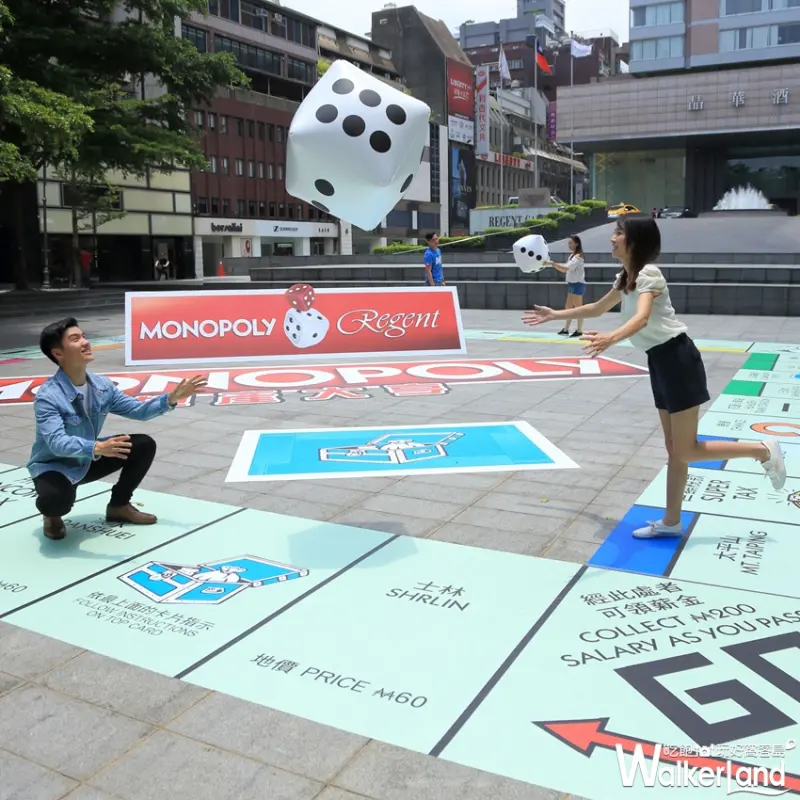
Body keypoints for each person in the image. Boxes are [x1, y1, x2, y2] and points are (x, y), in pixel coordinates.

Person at [522, 216, 786, 540]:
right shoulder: (626, 277)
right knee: (674, 448)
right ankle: (672, 521)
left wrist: (611, 338)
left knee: (685, 450)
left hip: (678, 360)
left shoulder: (649, 274)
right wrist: (556, 315)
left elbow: (643, 317)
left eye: (619, 233)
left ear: (635, 242)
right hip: (660, 361)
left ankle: (762, 450)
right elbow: (597, 308)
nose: (612, 238)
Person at [27, 317, 206, 541]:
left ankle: (119, 506)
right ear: (58, 353)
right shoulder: (48, 396)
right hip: (55, 466)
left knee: (142, 445)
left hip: (89, 457)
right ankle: (52, 516)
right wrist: (97, 447)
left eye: (84, 336)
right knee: (56, 501)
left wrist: (171, 398)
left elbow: (138, 411)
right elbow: (57, 443)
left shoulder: (102, 386)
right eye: (75, 339)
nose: (85, 342)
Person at [546, 235, 586, 338]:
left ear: (577, 244)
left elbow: (565, 268)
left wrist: (553, 264)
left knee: (578, 309)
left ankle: (579, 330)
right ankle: (566, 329)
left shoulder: (578, 257)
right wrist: (552, 265)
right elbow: (564, 269)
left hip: (578, 284)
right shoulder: (572, 255)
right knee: (568, 307)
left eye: (571, 243)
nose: (569, 245)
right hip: (572, 284)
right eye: (568, 243)